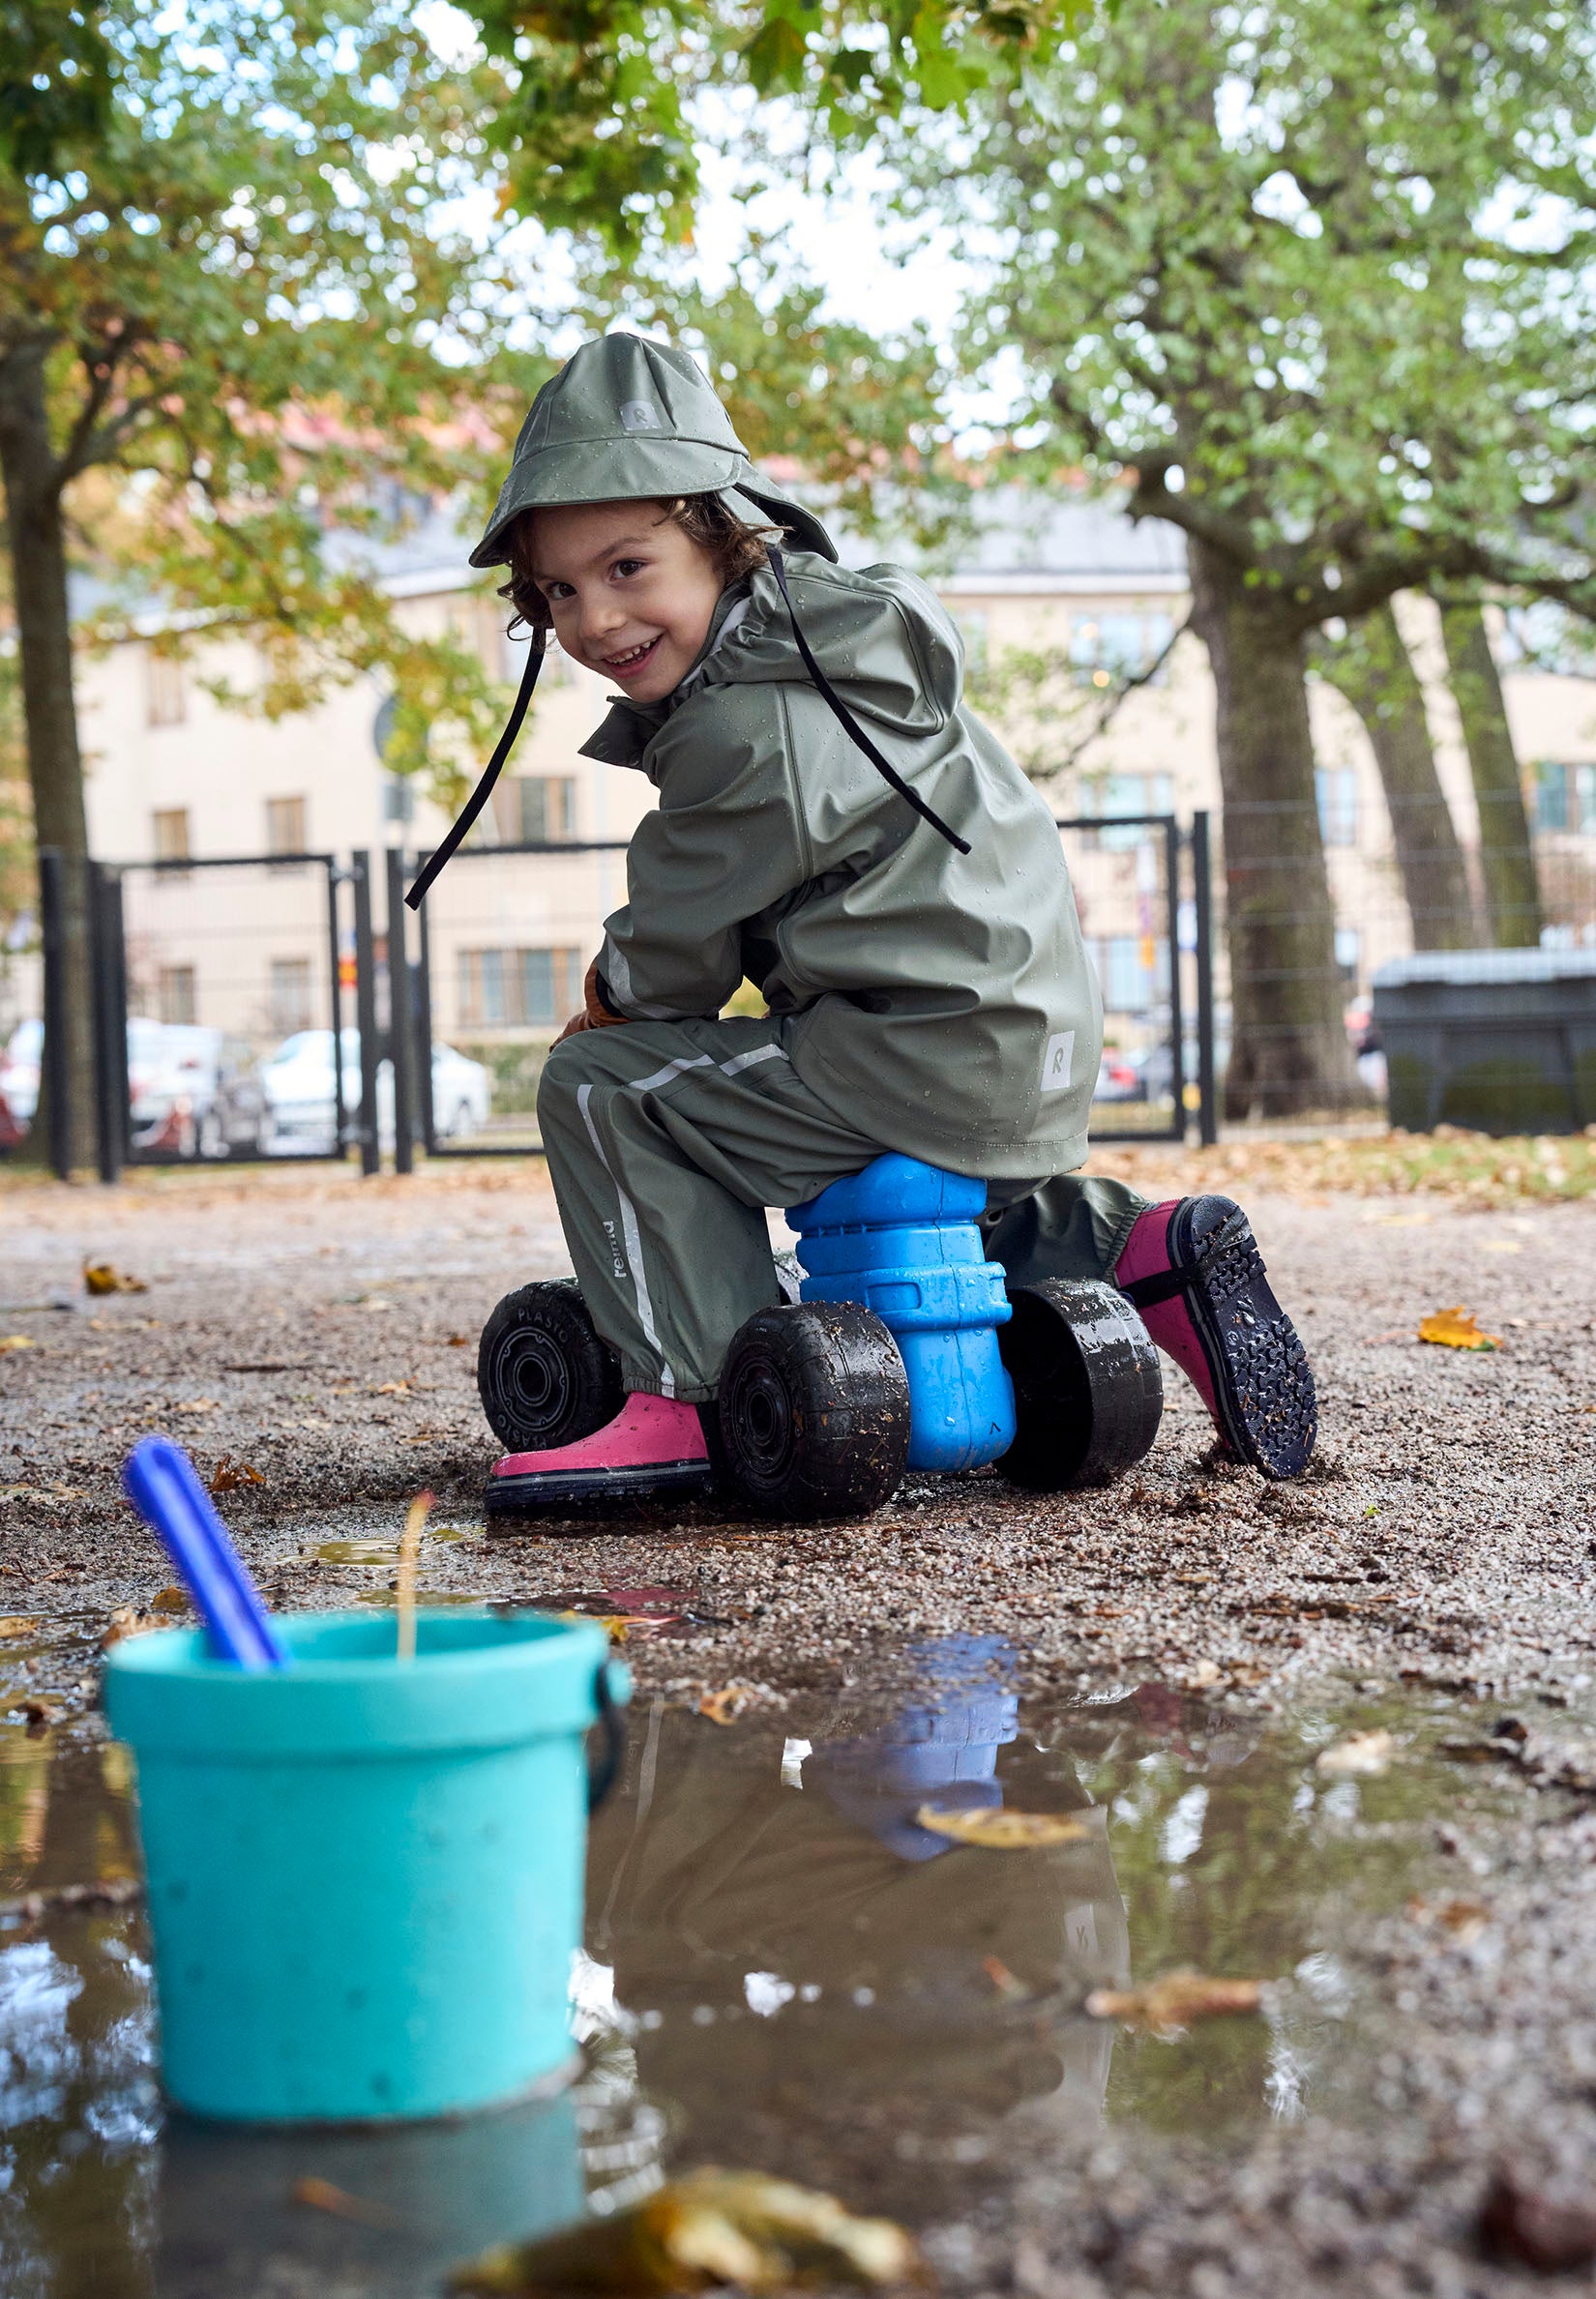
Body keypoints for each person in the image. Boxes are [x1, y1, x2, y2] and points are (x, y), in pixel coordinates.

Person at [451, 332, 1316, 1485]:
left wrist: (606, 1007)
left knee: (608, 1090)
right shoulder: (857, 655)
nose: (595, 621)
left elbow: (675, 957)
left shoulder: (742, 723)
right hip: (1026, 1041)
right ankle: (1146, 1250)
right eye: (559, 591)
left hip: (906, 1047)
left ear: (722, 537)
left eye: (626, 569)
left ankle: (689, 1396)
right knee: (922, 1178)